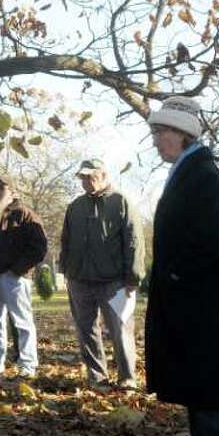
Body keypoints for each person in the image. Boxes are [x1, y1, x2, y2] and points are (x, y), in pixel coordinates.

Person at [144, 96, 219, 436]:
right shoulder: (192, 171)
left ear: (180, 134)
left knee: (209, 380)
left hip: (202, 300)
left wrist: (176, 276)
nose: (155, 141)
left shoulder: (201, 176)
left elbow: (210, 241)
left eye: (159, 133)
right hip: (194, 297)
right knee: (199, 377)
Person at [59, 158, 145, 389]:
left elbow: (134, 241)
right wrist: (65, 270)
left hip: (115, 281)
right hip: (79, 279)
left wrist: (133, 277)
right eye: (82, 177)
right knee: (86, 330)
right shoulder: (75, 206)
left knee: (120, 330)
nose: (85, 181)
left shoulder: (122, 201)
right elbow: (66, 240)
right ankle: (97, 378)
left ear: (104, 175)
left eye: (90, 176)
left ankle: (128, 378)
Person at [0, 173, 47, 377]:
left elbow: (39, 248)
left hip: (14, 279)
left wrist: (17, 270)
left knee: (23, 323)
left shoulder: (25, 215)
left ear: (14, 192)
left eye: (1, 186)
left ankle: (27, 365)